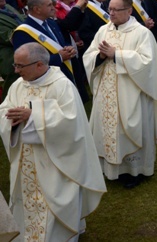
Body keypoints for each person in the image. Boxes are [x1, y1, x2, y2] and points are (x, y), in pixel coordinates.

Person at [0, 43, 106, 241]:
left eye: (20, 66)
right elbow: (4, 110)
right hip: (26, 161)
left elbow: (72, 124)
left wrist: (34, 115)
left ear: (39, 64)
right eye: (15, 65)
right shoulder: (18, 85)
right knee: (28, 202)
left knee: (51, 205)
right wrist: (12, 119)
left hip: (56, 163)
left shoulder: (62, 86)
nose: (16, 70)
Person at [83, 0, 157, 188]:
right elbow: (89, 55)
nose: (112, 13)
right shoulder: (103, 30)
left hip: (132, 91)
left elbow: (147, 63)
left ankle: (135, 171)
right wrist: (99, 56)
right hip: (106, 90)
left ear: (129, 10)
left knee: (130, 128)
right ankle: (110, 169)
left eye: (116, 10)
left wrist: (117, 55)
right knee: (107, 128)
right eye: (110, 9)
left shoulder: (141, 33)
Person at [12, 0, 78, 84]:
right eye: (49, 5)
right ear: (37, 9)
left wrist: (68, 48)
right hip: (45, 81)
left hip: (64, 75)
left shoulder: (51, 23)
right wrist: (59, 57)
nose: (53, 8)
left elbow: (61, 43)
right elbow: (26, 63)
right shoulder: (22, 32)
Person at [0, 0, 24, 100]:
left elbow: (22, 19)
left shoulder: (7, 7)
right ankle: (8, 109)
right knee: (13, 87)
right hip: (8, 56)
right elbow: (9, 37)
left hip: (23, 50)